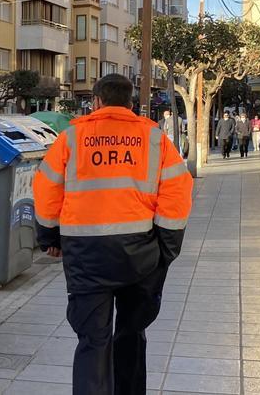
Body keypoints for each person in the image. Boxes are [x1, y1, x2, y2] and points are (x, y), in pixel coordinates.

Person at [33, 74, 194, 395]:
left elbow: (46, 188)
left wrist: (49, 237)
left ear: (96, 102)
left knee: (93, 341)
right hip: (141, 255)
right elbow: (177, 193)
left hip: (85, 255)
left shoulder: (71, 138)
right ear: (131, 103)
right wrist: (166, 250)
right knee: (132, 334)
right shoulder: (155, 140)